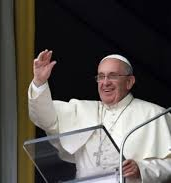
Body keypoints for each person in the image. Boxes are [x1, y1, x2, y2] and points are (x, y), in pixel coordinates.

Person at [28, 49, 171, 183]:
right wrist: (39, 83)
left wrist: (142, 169)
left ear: (129, 82)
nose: (105, 82)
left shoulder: (153, 114)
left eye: (113, 76)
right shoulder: (82, 110)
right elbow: (44, 118)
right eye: (101, 76)